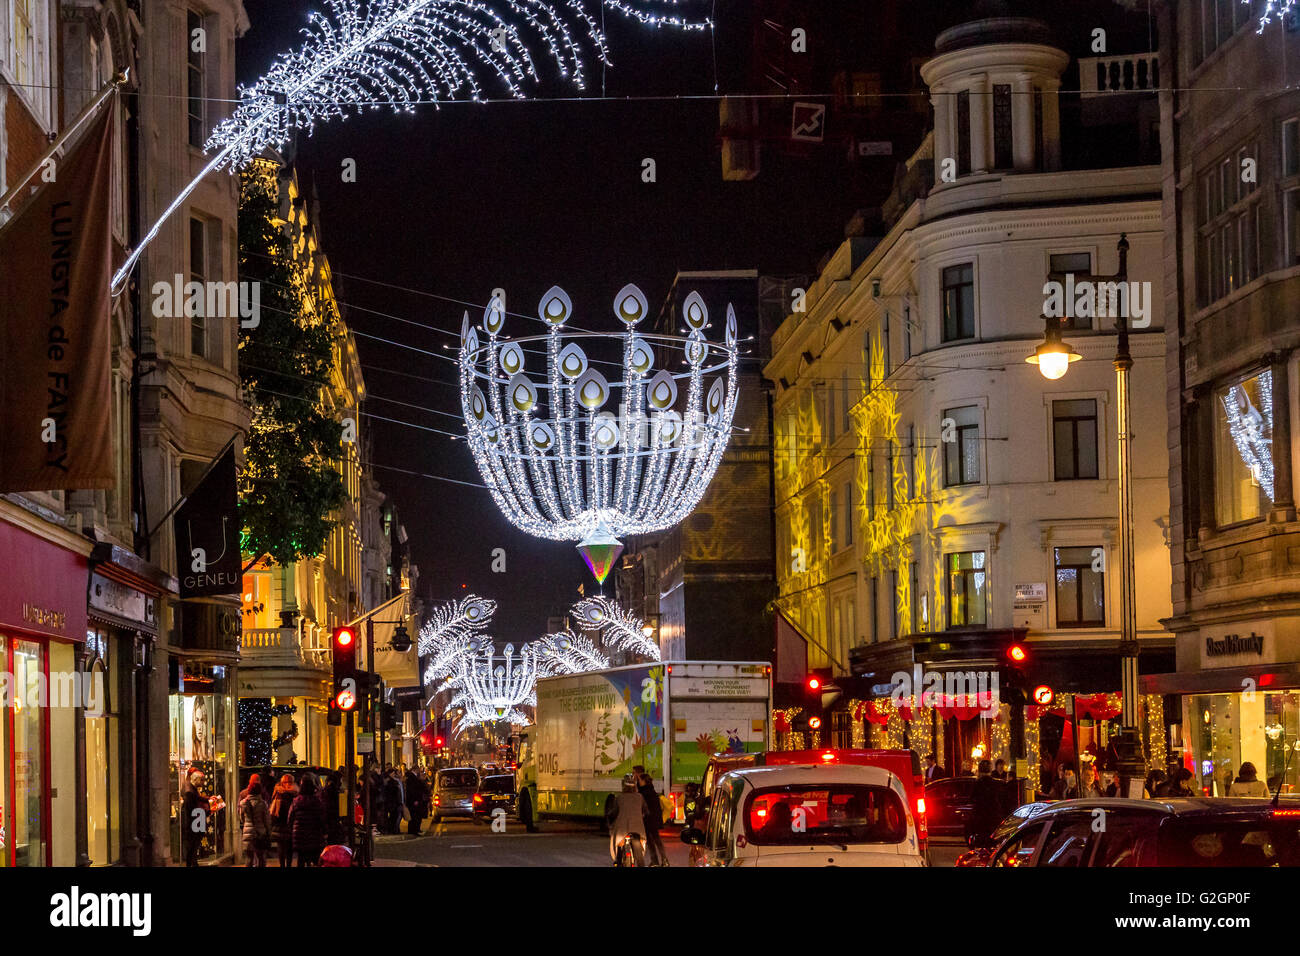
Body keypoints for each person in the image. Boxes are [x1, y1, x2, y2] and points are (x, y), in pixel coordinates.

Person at [609, 775, 648, 865]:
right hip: (638, 828)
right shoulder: (640, 797)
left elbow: (614, 812)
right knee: (641, 841)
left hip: (622, 829)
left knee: (618, 842)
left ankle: (618, 860)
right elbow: (646, 811)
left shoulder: (619, 797)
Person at [634, 767, 669, 867]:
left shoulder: (644, 793)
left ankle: (656, 861)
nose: (638, 782)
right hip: (654, 820)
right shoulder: (651, 790)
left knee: (652, 842)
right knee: (656, 840)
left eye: (640, 780)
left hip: (649, 820)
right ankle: (663, 860)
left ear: (644, 781)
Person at [967, 759, 1006, 849]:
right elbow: (1002, 800)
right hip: (994, 818)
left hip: (981, 819)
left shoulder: (977, 784)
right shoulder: (997, 783)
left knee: (982, 844)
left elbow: (972, 799)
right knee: (992, 844)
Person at [289, 774, 326, 866]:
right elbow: (321, 818)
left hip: (300, 835)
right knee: (315, 858)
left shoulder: (296, 801)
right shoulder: (317, 801)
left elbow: (290, 818)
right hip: (314, 835)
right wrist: (324, 831)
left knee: (301, 858)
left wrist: (292, 830)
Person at [180, 768, 210, 867]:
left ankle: (193, 863)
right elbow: (193, 810)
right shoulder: (190, 792)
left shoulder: (192, 790)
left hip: (195, 822)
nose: (203, 782)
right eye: (201, 780)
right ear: (196, 780)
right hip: (194, 823)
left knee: (193, 846)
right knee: (192, 846)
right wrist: (207, 811)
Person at [239, 780, 272, 867]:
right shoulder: (262, 804)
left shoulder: (243, 803)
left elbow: (241, 819)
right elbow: (267, 820)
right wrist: (268, 832)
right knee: (261, 858)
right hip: (260, 833)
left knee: (249, 858)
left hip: (247, 834)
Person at [269, 773, 297, 867]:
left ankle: (282, 865)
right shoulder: (295, 795)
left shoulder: (277, 794)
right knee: (289, 848)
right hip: (289, 825)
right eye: (288, 782)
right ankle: (287, 865)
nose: (289, 784)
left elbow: (273, 812)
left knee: (281, 848)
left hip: (279, 826)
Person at [321, 772, 346, 846]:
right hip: (334, 821)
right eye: (341, 779)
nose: (341, 781)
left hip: (328, 821)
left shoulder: (324, 791)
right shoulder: (335, 791)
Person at [406, 768, 429, 836]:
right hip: (414, 800)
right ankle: (413, 830)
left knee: (417, 816)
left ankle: (415, 829)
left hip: (417, 800)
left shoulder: (415, 778)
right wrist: (415, 800)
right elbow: (413, 790)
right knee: (414, 816)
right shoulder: (412, 778)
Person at [383, 769, 404, 834]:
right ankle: (393, 830)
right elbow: (391, 792)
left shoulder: (394, 781)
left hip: (395, 802)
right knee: (393, 817)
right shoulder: (390, 781)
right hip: (393, 802)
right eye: (393, 773)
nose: (394, 774)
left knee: (395, 816)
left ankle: (394, 829)